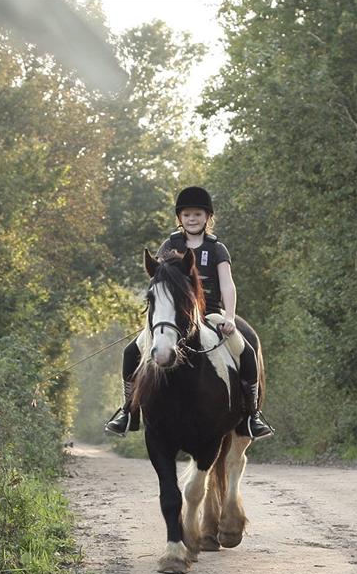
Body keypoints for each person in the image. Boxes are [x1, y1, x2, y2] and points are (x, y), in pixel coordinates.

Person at [105, 186, 274, 440]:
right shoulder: (169, 245)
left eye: (197, 214)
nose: (192, 219)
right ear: (179, 218)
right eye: (187, 215)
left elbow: (227, 284)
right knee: (131, 352)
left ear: (208, 217)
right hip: (175, 318)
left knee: (246, 351)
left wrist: (229, 317)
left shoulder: (217, 249)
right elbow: (159, 282)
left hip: (210, 315)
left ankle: (252, 414)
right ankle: (128, 411)